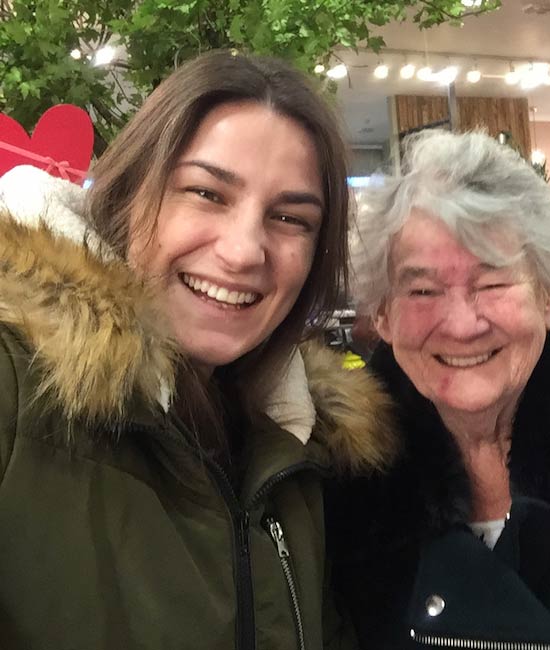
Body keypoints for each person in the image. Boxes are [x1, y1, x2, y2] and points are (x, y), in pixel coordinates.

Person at [0, 51, 397, 649]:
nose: (244, 251)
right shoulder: (14, 380)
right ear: (129, 195)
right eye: (207, 193)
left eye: (290, 217)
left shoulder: (297, 446)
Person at [327, 129, 550, 650]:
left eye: (493, 282)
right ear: (382, 317)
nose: (461, 324)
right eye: (423, 290)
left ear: (549, 297)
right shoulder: (335, 505)